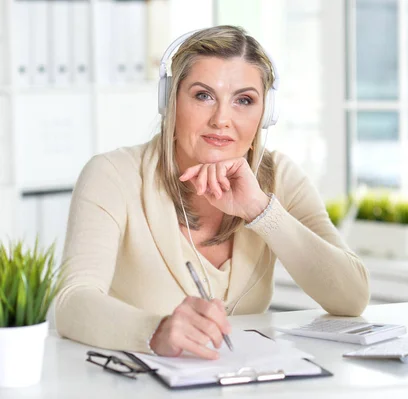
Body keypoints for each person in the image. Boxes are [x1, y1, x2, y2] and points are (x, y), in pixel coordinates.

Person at [55, 25, 370, 360]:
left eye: (244, 100)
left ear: (267, 112)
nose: (222, 119)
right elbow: (72, 302)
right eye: (203, 96)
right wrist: (154, 331)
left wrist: (261, 211)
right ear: (170, 101)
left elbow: (351, 298)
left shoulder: (281, 177)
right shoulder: (113, 175)